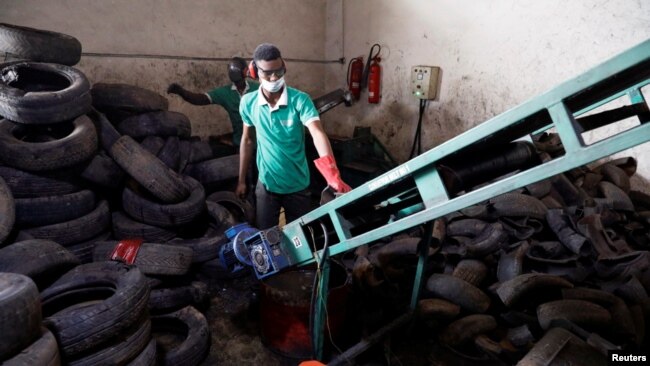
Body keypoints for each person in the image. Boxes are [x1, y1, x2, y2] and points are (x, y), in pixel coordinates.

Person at [236, 43, 351, 229]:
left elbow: (317, 132)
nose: (274, 77)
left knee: (302, 239)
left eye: (279, 71)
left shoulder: (300, 100)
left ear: (284, 67)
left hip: (297, 185)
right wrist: (241, 180)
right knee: (267, 238)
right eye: (267, 73)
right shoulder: (248, 103)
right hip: (266, 184)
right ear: (255, 72)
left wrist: (332, 174)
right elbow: (247, 139)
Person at [167, 57, 259, 147]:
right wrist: (181, 92)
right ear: (245, 71)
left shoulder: (257, 88)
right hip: (241, 143)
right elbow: (201, 99)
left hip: (260, 142)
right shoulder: (226, 93)